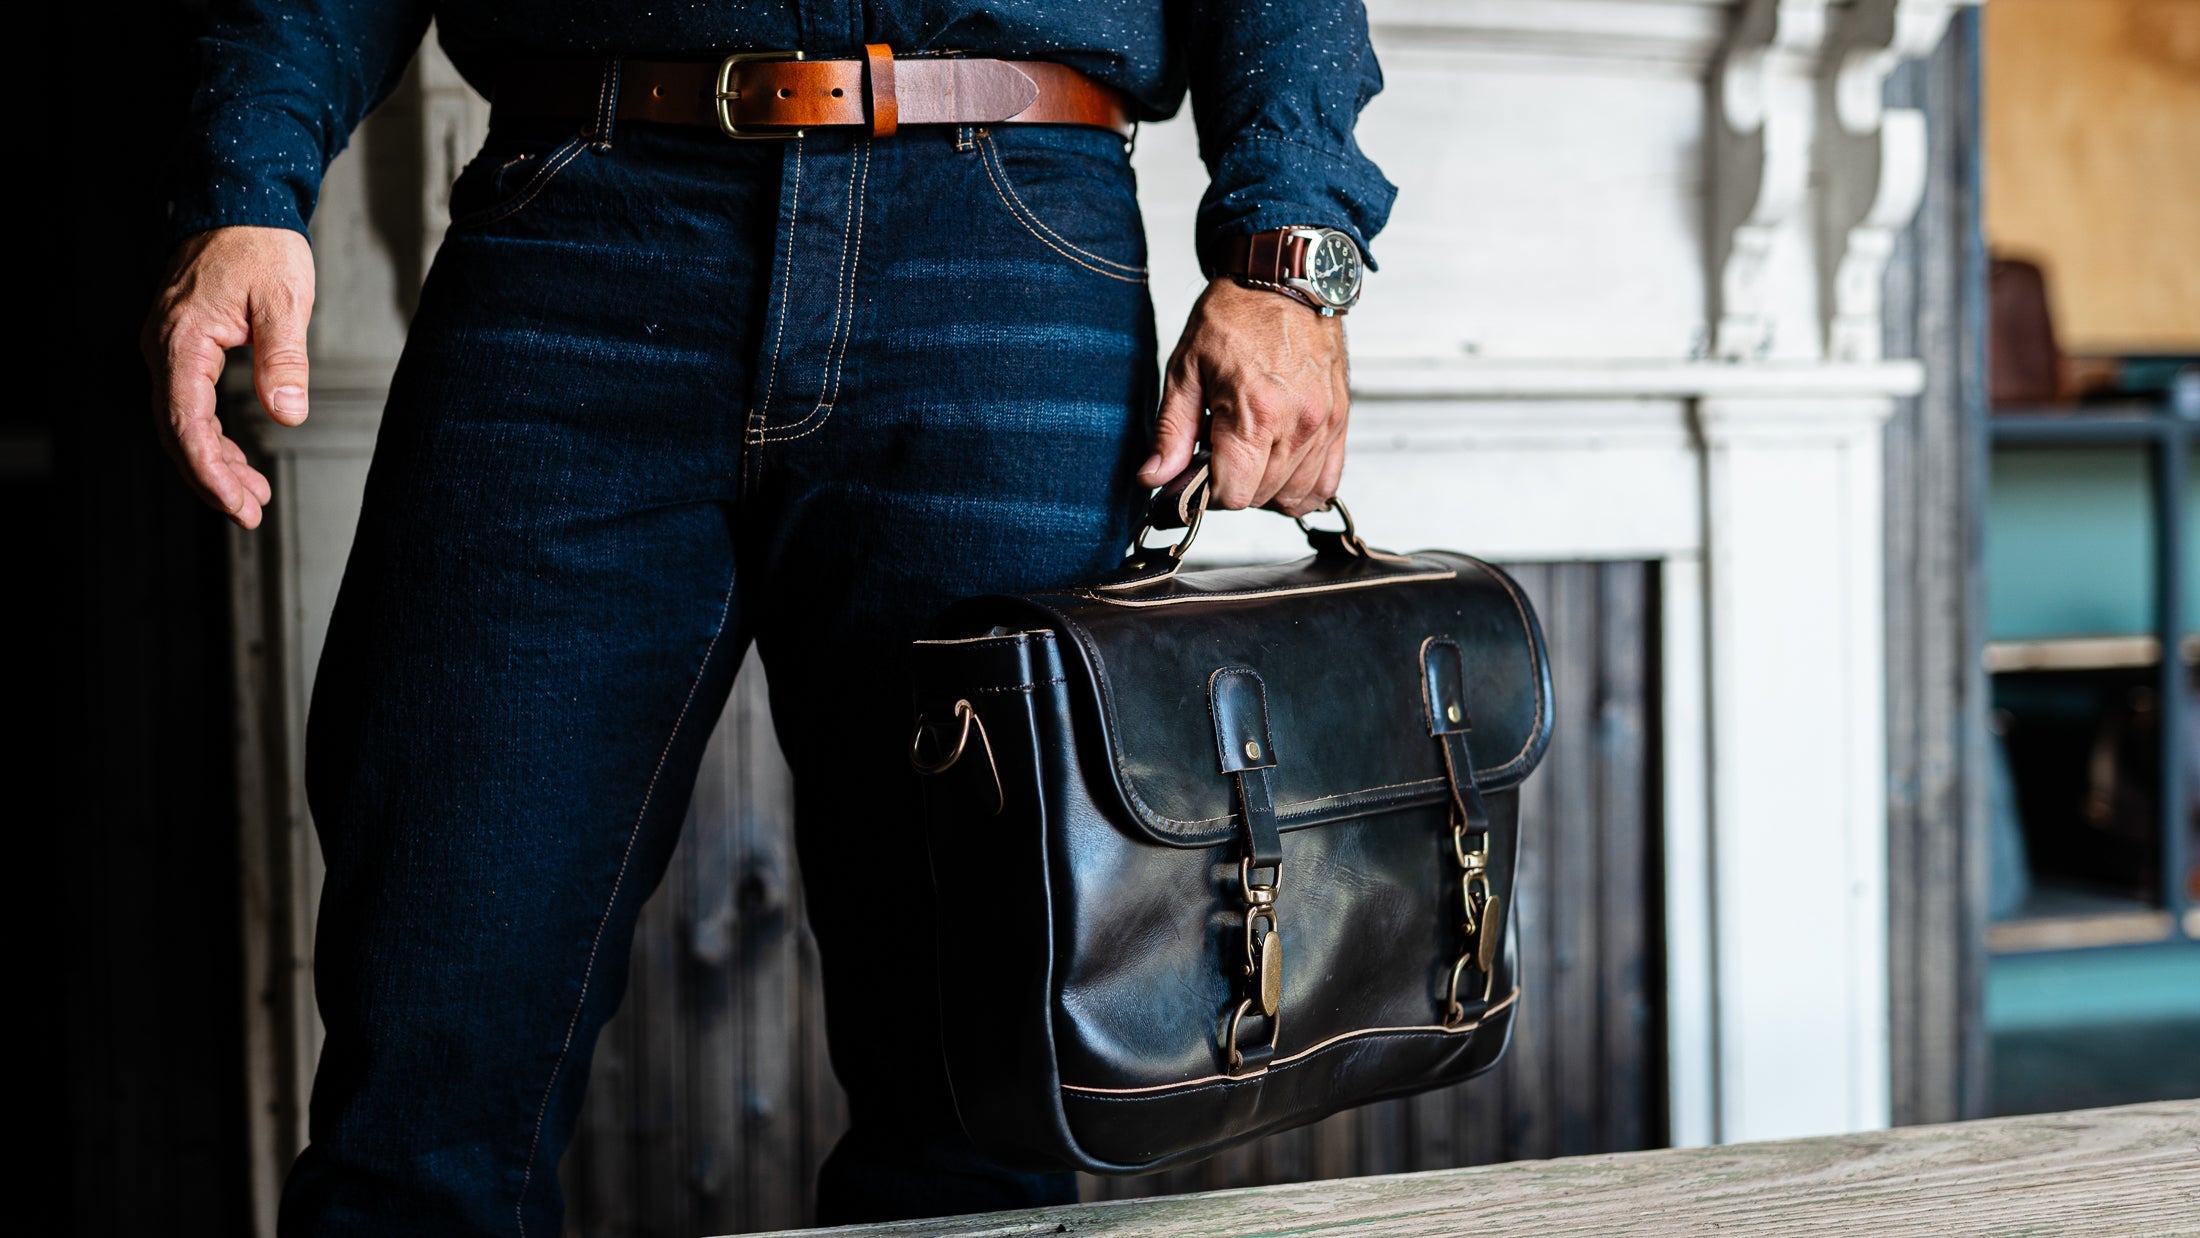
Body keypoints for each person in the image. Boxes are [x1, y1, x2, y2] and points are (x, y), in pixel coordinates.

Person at [143, 2, 1393, 1233]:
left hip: (1005, 241)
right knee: (421, 1094)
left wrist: (1291, 239)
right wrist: (246, 179)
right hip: (580, 220)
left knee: (978, 1103)